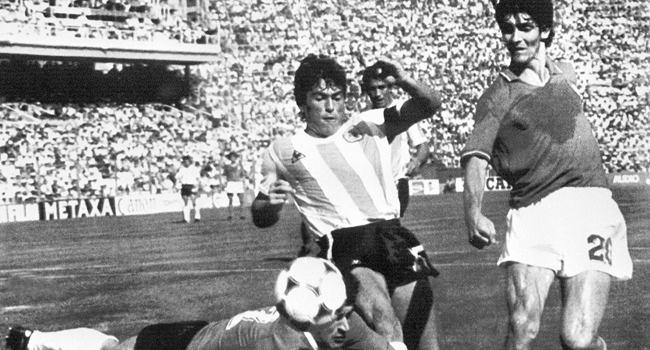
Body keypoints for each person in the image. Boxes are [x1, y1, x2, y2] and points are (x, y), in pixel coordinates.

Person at [460, 1, 633, 349]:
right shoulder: (496, 96)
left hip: (591, 208)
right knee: (523, 326)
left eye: (525, 27)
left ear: (545, 31)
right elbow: (476, 158)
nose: (515, 37)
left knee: (578, 339)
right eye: (508, 29)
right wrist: (473, 212)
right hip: (533, 210)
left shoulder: (566, 73)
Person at [251, 54, 442, 350]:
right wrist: (270, 205)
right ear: (302, 103)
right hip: (345, 244)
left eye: (336, 97)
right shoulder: (283, 151)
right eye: (319, 97)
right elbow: (260, 214)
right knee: (385, 320)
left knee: (425, 340)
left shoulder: (368, 123)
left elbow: (429, 104)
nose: (330, 106)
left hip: (393, 234)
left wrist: (405, 80)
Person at [6, 258, 394, 350]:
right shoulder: (278, 344)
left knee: (110, 345)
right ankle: (35, 341)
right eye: (337, 321)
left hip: (202, 332)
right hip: (180, 346)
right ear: (305, 318)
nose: (345, 327)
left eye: (344, 315)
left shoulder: (322, 320)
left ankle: (33, 340)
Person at [360, 61, 430, 217]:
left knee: (389, 225)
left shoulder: (402, 112)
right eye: (372, 89)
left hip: (398, 182)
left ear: (390, 88)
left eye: (381, 87)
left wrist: (417, 161)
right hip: (373, 185)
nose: (377, 94)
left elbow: (423, 146)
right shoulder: (363, 117)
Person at [175, 155, 202, 223]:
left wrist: (197, 187)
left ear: (190, 161)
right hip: (184, 186)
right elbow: (177, 177)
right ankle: (186, 219)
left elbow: (198, 179)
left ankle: (197, 217)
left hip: (192, 186)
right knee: (185, 202)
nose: (186, 163)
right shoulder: (182, 169)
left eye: (187, 161)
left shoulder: (194, 169)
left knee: (194, 201)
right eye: (184, 161)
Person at [221, 151, 247, 220]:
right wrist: (224, 183)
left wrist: (244, 184)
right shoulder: (227, 167)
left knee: (241, 200)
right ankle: (231, 215)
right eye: (231, 157)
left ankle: (242, 215)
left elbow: (243, 175)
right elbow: (224, 175)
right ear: (229, 158)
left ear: (235, 158)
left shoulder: (239, 165)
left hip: (238, 182)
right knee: (230, 199)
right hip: (230, 183)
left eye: (234, 157)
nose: (232, 158)